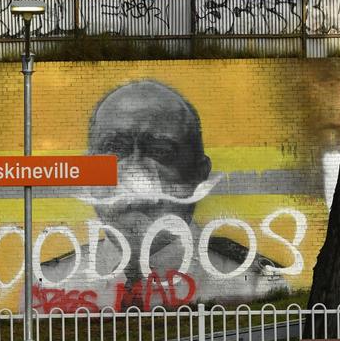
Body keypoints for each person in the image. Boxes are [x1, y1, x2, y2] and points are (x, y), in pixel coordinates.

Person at [34, 80, 288, 311]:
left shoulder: (255, 283)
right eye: (113, 149)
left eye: (159, 151)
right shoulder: (49, 284)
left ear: (198, 173)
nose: (134, 173)